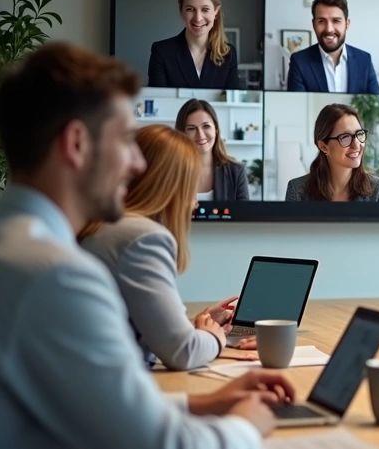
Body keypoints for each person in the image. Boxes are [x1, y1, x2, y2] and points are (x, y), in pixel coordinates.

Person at [0, 42, 295, 449]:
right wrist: (249, 423)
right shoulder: (56, 278)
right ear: (76, 144)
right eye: (126, 140)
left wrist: (201, 405)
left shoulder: (3, 248)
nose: (136, 165)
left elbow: (86, 405)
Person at [78, 124, 256, 372]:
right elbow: (183, 353)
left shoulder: (104, 226)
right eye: (191, 188)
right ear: (170, 187)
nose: (194, 204)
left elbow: (150, 331)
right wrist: (217, 338)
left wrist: (196, 329)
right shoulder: (141, 238)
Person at [285, 103, 379, 202]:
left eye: (359, 134)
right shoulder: (297, 191)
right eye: (345, 137)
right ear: (323, 147)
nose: (357, 144)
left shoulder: (378, 191)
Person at [147, 0, 240, 89]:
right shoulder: (162, 51)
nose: (198, 18)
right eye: (190, 9)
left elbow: (232, 103)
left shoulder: (228, 54)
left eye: (205, 9)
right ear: (181, 12)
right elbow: (158, 100)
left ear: (216, 11)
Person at [285, 0, 379, 94]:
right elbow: (296, 106)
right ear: (313, 24)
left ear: (347, 24)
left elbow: (377, 105)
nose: (329, 29)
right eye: (321, 21)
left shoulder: (364, 60)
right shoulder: (299, 62)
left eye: (336, 21)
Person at [175, 99, 251, 201]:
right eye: (191, 128)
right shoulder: (170, 172)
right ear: (181, 133)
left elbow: (243, 216)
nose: (200, 135)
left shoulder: (236, 171)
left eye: (206, 126)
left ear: (216, 129)